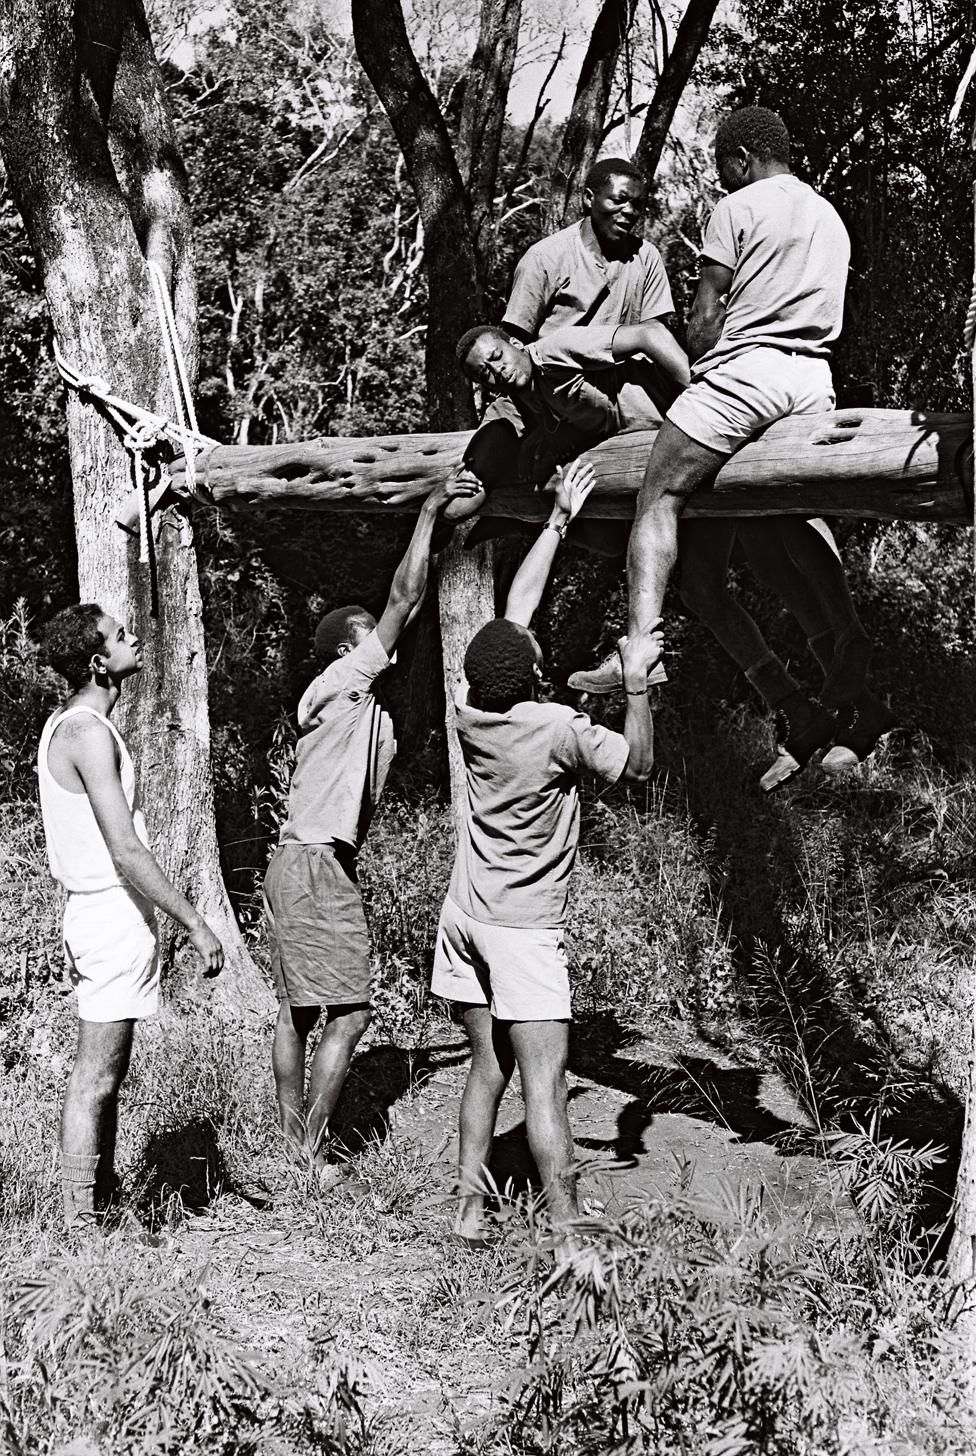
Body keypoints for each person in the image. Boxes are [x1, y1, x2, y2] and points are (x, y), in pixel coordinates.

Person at [570, 108, 896, 787]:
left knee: (659, 494)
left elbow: (705, 314)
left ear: (742, 158)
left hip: (746, 375)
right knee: (783, 521)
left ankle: (643, 646)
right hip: (812, 381)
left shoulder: (740, 205)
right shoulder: (829, 217)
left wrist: (695, 364)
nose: (721, 176)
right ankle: (843, 639)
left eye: (722, 164)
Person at [430, 459, 660, 1245]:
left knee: (485, 1068)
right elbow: (639, 765)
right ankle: (566, 1228)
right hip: (524, 929)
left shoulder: (471, 713)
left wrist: (558, 521)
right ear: (531, 676)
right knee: (545, 1084)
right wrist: (635, 685)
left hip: (465, 915)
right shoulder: (561, 731)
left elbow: (512, 621)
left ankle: (467, 1209)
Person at [263, 475, 479, 1182]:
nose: (387, 641)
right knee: (350, 1015)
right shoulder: (346, 680)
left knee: (299, 1013)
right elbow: (403, 601)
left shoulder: (356, 707)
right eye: (371, 639)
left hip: (300, 860)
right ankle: (305, 1154)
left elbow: (409, 624)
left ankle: (289, 1148)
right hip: (316, 862)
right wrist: (426, 515)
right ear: (347, 651)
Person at [37, 605, 224, 1230]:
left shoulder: (73, 725)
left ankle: (102, 1198)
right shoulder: (85, 731)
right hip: (106, 913)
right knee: (96, 1075)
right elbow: (124, 849)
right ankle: (80, 1227)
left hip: (105, 914)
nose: (135, 637)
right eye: (121, 636)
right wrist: (194, 922)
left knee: (108, 1074)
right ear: (98, 662)